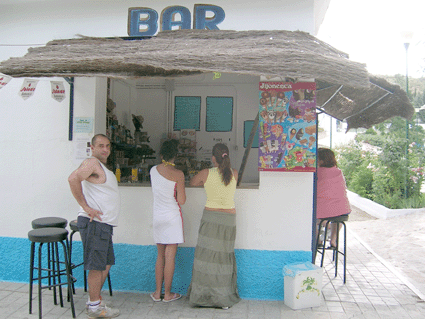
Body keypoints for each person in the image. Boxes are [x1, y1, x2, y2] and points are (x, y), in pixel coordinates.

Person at [68, 134, 120, 318]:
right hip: (95, 224)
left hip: (103, 225)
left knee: (105, 264)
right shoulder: (91, 163)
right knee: (97, 267)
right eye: (101, 146)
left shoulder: (100, 166)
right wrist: (86, 207)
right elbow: (73, 178)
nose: (105, 149)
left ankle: (94, 300)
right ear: (92, 147)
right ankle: (94, 307)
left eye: (108, 146)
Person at [187, 143, 241, 309]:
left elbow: (192, 182)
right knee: (224, 258)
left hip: (211, 218)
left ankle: (202, 297)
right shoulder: (234, 173)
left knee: (206, 257)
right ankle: (222, 299)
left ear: (213, 158)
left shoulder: (206, 173)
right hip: (228, 219)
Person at [150, 139, 186, 302]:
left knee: (160, 257)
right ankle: (168, 294)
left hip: (158, 217)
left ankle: (157, 293)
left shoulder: (152, 170)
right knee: (170, 257)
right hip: (172, 217)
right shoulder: (178, 174)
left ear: (161, 154)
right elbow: (182, 200)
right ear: (175, 155)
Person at [316, 147, 351, 248]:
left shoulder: (317, 173)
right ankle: (334, 240)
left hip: (323, 212)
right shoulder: (338, 172)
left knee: (312, 219)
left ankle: (318, 240)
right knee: (337, 219)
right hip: (343, 210)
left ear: (321, 160)